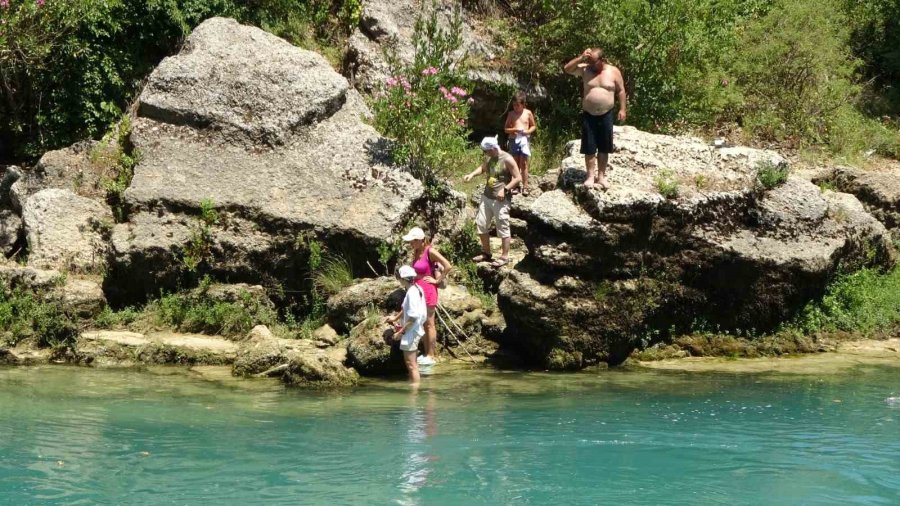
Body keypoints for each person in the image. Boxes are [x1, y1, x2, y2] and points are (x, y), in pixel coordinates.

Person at [563, 47, 627, 190]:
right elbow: (567, 69)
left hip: (606, 113)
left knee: (604, 147)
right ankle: (590, 176)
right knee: (589, 147)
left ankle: (601, 177)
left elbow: (621, 90)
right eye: (589, 61)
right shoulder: (585, 69)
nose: (590, 64)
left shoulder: (613, 71)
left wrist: (623, 109)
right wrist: (581, 57)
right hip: (589, 114)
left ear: (601, 60)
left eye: (593, 62)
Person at [463, 136, 522, 268]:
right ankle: (486, 253)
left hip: (501, 199)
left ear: (494, 148)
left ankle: (504, 256)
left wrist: (505, 189)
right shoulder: (489, 157)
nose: (485, 153)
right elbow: (483, 168)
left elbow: (518, 178)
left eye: (487, 151)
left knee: (503, 226)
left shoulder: (507, 159)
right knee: (481, 223)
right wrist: (472, 174)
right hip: (486, 196)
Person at [402, 226, 452, 366]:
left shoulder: (430, 251)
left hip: (428, 291)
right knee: (423, 323)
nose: (410, 244)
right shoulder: (416, 252)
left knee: (429, 324)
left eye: (413, 241)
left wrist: (437, 280)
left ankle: (431, 355)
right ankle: (426, 353)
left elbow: (447, 265)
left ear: (420, 240)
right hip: (419, 292)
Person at [384, 265, 428, 385]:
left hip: (411, 331)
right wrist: (395, 318)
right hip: (415, 329)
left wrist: (400, 332)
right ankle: (414, 386)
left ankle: (414, 392)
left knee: (411, 364)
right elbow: (406, 308)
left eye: (399, 278)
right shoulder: (417, 288)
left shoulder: (411, 293)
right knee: (413, 363)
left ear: (403, 279)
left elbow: (412, 317)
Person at [504, 91, 537, 196]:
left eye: (518, 105)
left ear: (523, 104)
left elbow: (533, 126)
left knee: (524, 163)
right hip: (514, 140)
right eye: (514, 105)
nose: (516, 107)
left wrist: (527, 131)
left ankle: (525, 185)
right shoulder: (511, 114)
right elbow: (506, 129)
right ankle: (515, 185)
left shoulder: (528, 113)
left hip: (524, 140)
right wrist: (514, 129)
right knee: (515, 164)